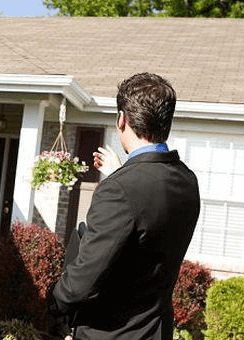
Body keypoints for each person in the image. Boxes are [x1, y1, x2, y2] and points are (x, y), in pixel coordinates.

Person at [49, 72, 201, 340]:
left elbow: (81, 283)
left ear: (122, 119)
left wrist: (52, 302)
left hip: (109, 333)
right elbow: (145, 230)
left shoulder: (120, 190)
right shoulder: (187, 181)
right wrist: (121, 173)